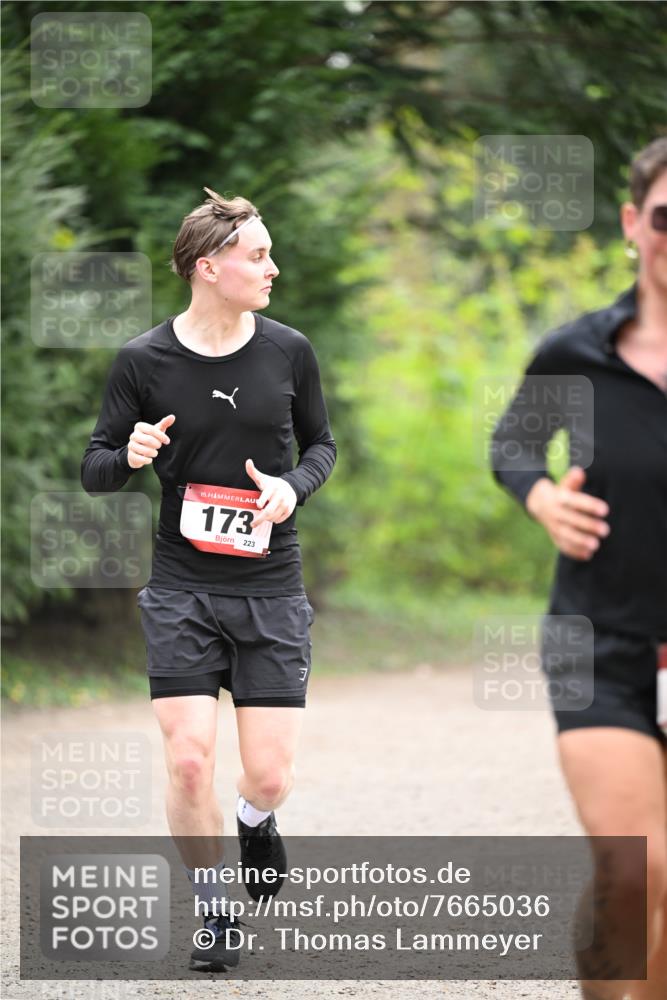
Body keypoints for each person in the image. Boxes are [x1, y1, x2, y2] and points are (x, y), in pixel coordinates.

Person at [81, 189, 336, 973]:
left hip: (270, 587)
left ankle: (255, 819)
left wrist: (292, 487)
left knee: (270, 774)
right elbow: (94, 468)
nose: (272, 268)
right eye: (258, 256)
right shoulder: (143, 361)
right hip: (181, 588)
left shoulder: (288, 351)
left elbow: (322, 446)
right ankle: (216, 909)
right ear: (208, 267)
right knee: (189, 758)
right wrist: (127, 456)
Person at [492, 138, 667, 1000]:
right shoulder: (578, 354)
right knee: (636, 868)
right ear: (633, 223)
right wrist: (540, 500)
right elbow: (513, 444)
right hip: (598, 641)